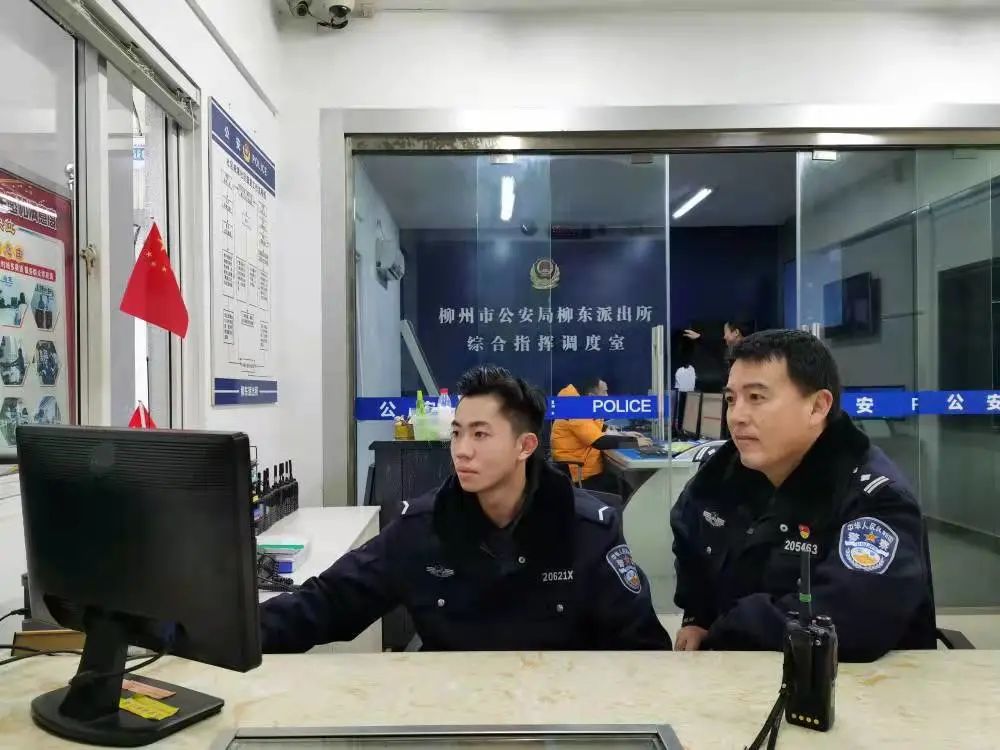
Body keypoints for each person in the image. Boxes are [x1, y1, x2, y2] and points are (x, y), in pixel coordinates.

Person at [260, 365, 670, 652]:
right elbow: (331, 600)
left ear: (524, 446)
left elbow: (642, 648)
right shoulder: (424, 527)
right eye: (457, 433)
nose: (462, 450)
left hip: (557, 721)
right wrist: (239, 637)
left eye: (480, 434)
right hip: (453, 717)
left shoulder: (586, 532)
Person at [671, 329, 935, 663]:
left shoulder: (875, 498)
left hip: (849, 683)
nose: (736, 416)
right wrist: (697, 617)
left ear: (817, 407)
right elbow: (692, 539)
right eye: (731, 400)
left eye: (756, 397)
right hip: (735, 669)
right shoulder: (725, 470)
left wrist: (725, 632)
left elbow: (850, 622)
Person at [550, 376, 650, 494]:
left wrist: (621, 433)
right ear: (592, 396)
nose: (607, 396)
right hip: (580, 476)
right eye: (604, 392)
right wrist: (634, 442)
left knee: (626, 488)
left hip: (586, 470)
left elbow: (591, 426)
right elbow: (599, 441)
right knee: (627, 492)